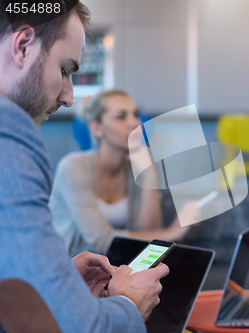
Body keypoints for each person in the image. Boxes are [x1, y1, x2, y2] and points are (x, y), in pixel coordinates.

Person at [0, 3, 168, 332]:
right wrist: (130, 304)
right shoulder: (12, 137)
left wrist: (57, 275)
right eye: (64, 70)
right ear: (22, 47)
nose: (69, 97)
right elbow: (76, 326)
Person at [50, 88, 199, 256]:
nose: (135, 123)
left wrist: (149, 175)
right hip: (69, 271)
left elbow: (147, 232)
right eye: (121, 117)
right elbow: (101, 241)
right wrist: (171, 233)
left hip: (114, 268)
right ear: (97, 128)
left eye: (135, 114)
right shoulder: (74, 167)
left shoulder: (138, 167)